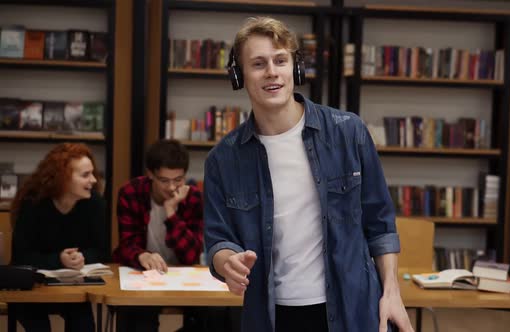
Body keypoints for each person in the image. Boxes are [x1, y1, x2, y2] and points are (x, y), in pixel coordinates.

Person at [204, 17, 414, 332]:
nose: (272, 71)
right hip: (273, 316)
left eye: (280, 60)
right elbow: (219, 239)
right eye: (258, 64)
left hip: (352, 308)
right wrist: (226, 262)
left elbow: (380, 224)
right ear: (239, 76)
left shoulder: (348, 132)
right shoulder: (223, 159)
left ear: (295, 68)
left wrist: (392, 293)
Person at [112, 139, 238, 331]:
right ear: (151, 175)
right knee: (138, 314)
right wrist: (142, 255)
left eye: (178, 180)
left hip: (182, 274)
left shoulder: (194, 198)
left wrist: (171, 213)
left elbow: (190, 255)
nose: (172, 188)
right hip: (143, 275)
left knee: (215, 313)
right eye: (164, 180)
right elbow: (127, 244)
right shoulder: (131, 193)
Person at [11, 143, 106, 332]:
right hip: (33, 286)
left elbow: (103, 251)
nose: (94, 180)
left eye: (93, 173)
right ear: (63, 178)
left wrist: (83, 258)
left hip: (73, 286)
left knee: (84, 325)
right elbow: (20, 257)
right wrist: (59, 260)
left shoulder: (94, 203)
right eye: (85, 175)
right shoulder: (33, 203)